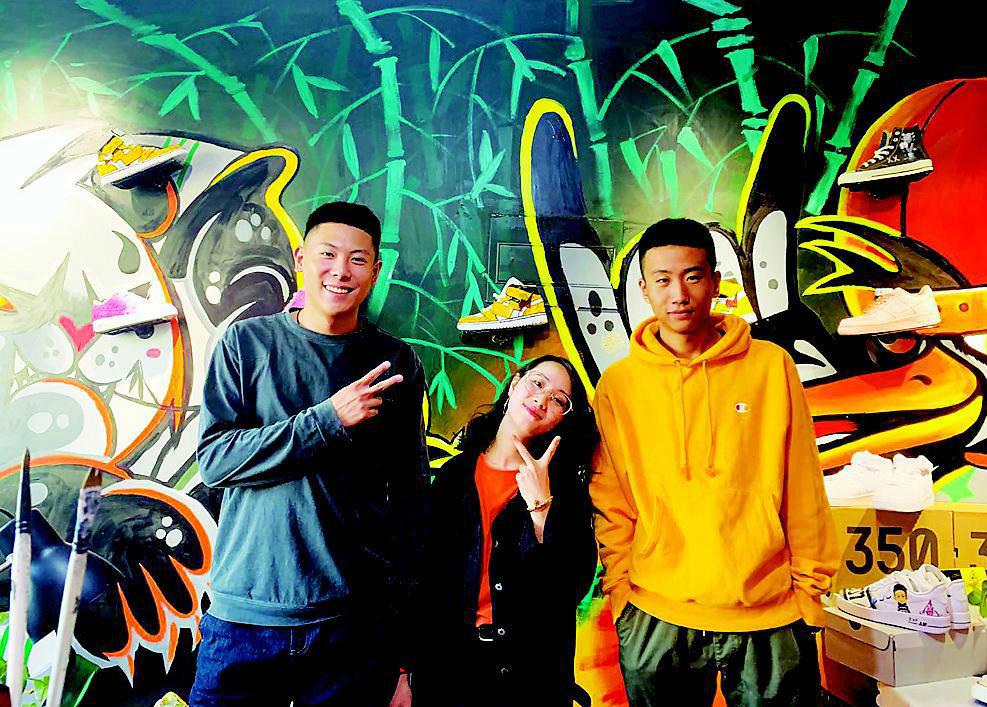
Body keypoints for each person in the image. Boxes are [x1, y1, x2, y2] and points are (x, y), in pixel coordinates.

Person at [590, 218, 839, 706]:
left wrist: (809, 593)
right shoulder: (619, 385)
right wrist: (621, 591)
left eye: (692, 276)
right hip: (655, 611)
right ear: (644, 289)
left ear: (715, 281)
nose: (678, 294)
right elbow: (611, 497)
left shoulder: (770, 366)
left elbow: (803, 482)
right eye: (662, 280)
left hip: (768, 609)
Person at [191, 201, 427, 706]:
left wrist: (404, 656)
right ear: (301, 259)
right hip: (244, 620)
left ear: (375, 271)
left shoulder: (395, 361)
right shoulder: (246, 344)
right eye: (327, 254)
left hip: (352, 625)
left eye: (357, 260)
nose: (341, 271)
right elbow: (215, 459)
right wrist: (328, 420)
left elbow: (410, 500)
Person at [413, 355, 599, 707]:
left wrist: (541, 509)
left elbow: (571, 587)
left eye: (559, 400)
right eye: (537, 383)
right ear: (514, 385)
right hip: (450, 671)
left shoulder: (564, 491)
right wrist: (404, 671)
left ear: (562, 418)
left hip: (528, 677)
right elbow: (422, 580)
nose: (542, 399)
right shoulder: (455, 476)